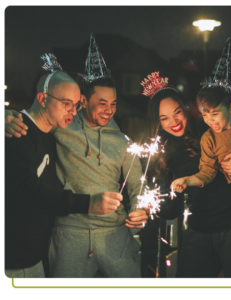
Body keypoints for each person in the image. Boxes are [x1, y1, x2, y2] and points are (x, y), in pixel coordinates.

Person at [4, 35, 148, 279]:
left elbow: (137, 184)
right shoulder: (61, 126)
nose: (109, 109)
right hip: (69, 233)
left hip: (114, 233)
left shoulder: (122, 141)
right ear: (85, 101)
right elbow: (36, 118)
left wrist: (139, 208)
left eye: (113, 103)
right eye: (102, 102)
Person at [142, 67, 231, 278]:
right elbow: (171, 209)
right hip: (198, 230)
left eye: (177, 112)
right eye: (165, 118)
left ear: (187, 108)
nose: (174, 122)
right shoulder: (163, 154)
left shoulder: (215, 127)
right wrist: (149, 206)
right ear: (158, 122)